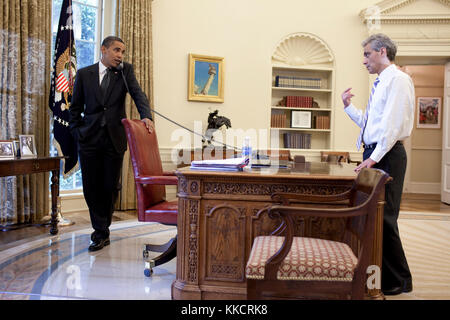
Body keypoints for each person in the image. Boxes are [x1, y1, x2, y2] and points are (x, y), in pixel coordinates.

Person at [341, 33, 414, 296]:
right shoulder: (382, 82)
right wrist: (348, 107)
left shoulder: (398, 80)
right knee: (373, 218)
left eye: (367, 54)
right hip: (375, 152)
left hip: (387, 155)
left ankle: (400, 280)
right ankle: (379, 276)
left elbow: (393, 127)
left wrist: (373, 158)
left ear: (382, 52)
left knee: (385, 218)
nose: (363, 61)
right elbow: (373, 126)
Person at [69, 36, 154, 252]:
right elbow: (75, 107)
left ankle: (102, 227)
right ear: (103, 49)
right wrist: (78, 131)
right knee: (91, 187)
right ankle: (100, 232)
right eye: (117, 50)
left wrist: (147, 116)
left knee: (110, 186)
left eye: (123, 52)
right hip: (89, 139)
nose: (120, 55)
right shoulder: (84, 74)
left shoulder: (125, 72)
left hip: (114, 138)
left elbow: (138, 94)